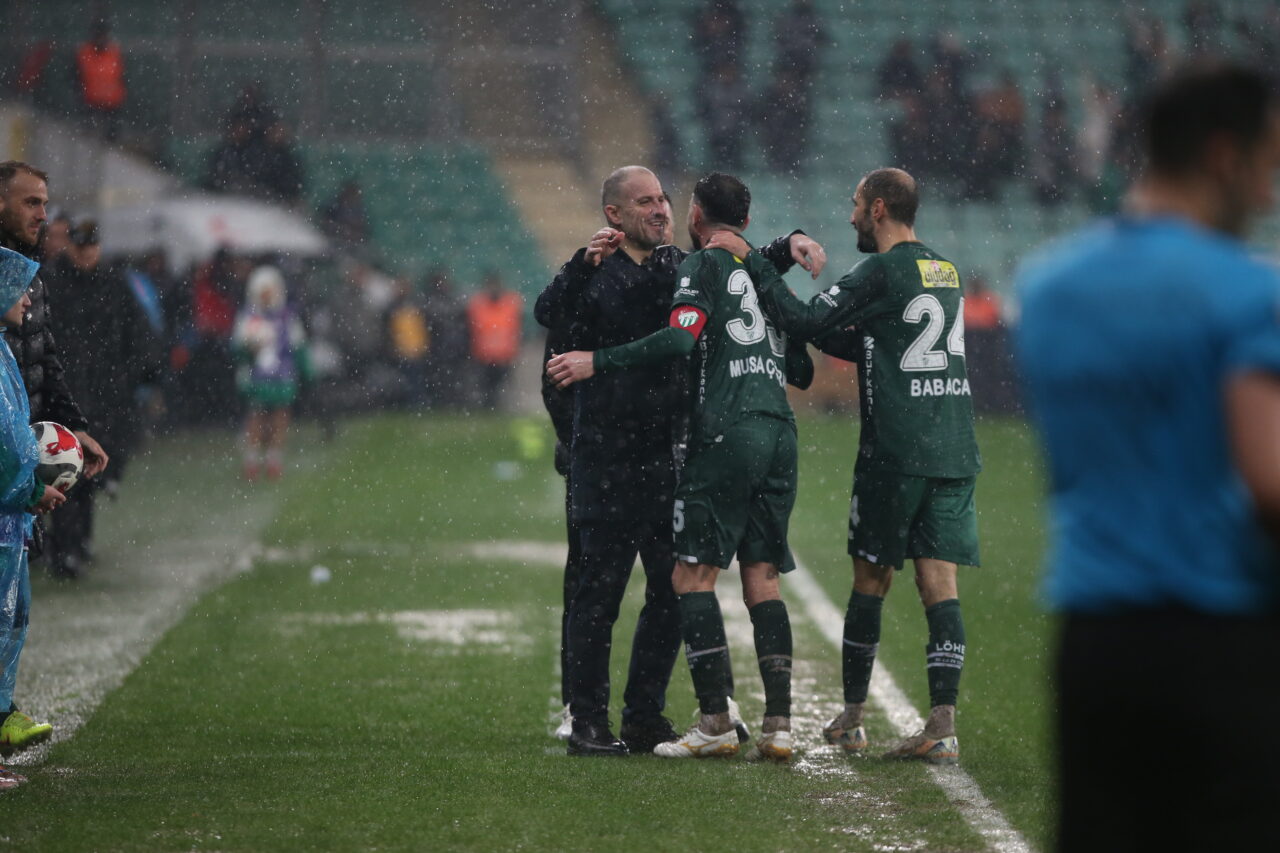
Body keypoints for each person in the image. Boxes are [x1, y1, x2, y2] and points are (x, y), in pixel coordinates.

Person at [1015, 64, 1280, 852]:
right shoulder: (1245, 291)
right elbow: (1270, 483)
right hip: (1220, 638)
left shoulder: (1051, 284)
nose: (1270, 194)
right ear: (1225, 156)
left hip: (1096, 641)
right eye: (1270, 165)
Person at [539, 166, 825, 758]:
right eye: (645, 202)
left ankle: (644, 715)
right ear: (614, 214)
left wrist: (787, 246)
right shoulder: (591, 272)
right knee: (598, 592)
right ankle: (588, 719)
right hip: (606, 457)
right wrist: (572, 440)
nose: (661, 209)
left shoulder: (678, 266)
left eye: (665, 199)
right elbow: (552, 325)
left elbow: (728, 256)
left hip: (668, 454)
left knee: (673, 591)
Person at [746, 168, 980, 764]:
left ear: (878, 209)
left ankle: (852, 718)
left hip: (896, 452)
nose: (850, 216)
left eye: (855, 205)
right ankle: (943, 725)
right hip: (953, 447)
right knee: (940, 585)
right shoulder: (943, 270)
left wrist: (754, 267)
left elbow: (803, 322)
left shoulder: (879, 270)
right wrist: (826, 333)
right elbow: (878, 339)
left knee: (871, 581)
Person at [0, 162, 109, 577]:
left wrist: (74, 426)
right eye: (31, 202)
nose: (43, 215)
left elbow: (44, 360)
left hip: (17, 459)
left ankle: (69, 551)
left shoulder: (32, 278)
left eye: (44, 204)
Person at [42, 220, 156, 576]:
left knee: (90, 471)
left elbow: (138, 335)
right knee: (64, 469)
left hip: (106, 395)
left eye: (91, 247)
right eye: (80, 247)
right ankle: (66, 548)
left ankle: (78, 542)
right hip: (65, 392)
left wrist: (135, 372)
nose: (86, 254)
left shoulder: (113, 284)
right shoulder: (54, 283)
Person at [0, 246, 68, 786]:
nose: (27, 299)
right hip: (5, 512)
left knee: (11, 623)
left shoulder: (3, 351)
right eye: (19, 287)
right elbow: (3, 447)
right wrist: (30, 489)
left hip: (11, 518)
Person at [232, 266, 309, 481]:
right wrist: (247, 352)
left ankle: (274, 459)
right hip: (258, 376)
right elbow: (238, 348)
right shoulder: (249, 316)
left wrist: (305, 369)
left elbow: (298, 345)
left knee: (280, 416)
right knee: (256, 416)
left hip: (282, 375)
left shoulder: (286, 316)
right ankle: (252, 460)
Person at [465, 272, 522, 411]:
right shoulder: (478, 304)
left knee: (500, 387)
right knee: (486, 387)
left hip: (504, 355)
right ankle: (488, 408)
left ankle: (497, 408)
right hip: (483, 355)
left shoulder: (510, 303)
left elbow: (515, 329)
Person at [74, 19, 126, 142]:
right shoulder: (84, 53)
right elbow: (76, 77)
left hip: (112, 105)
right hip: (90, 103)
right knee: (89, 137)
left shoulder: (114, 53)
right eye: (98, 36)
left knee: (110, 138)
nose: (100, 39)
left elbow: (123, 77)